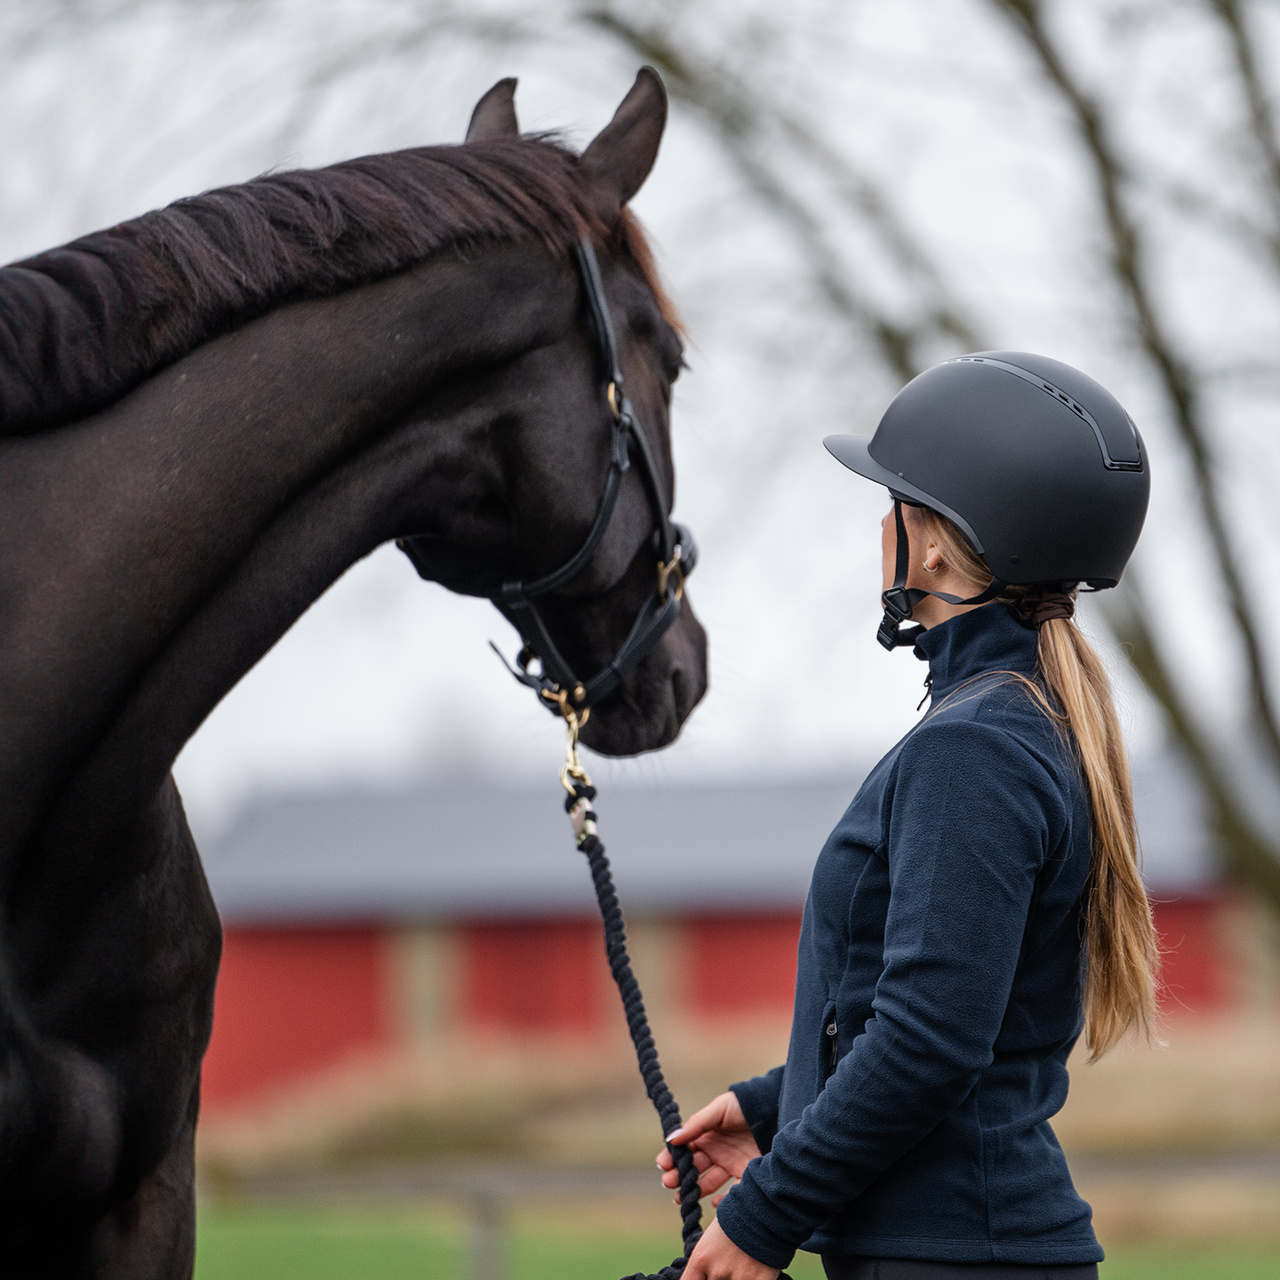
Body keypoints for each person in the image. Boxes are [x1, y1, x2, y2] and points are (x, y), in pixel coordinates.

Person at [656, 352, 1159, 1280]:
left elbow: (931, 1041)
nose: (878, 530)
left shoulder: (974, 748)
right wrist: (778, 1104)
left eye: (893, 505)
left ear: (932, 544)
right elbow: (962, 1016)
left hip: (955, 1256)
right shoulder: (1019, 718)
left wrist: (765, 1215)